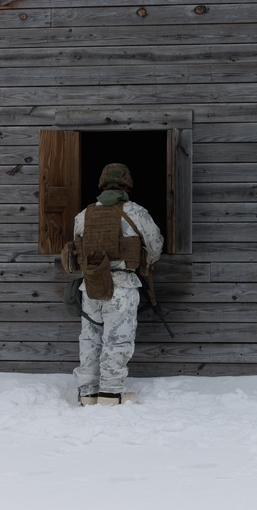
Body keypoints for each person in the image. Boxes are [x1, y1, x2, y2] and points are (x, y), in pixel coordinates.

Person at [72, 163, 163, 406]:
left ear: (102, 184)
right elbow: (155, 246)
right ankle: (110, 394)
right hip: (121, 286)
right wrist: (146, 261)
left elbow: (77, 248)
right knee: (117, 340)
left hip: (90, 287)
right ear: (127, 185)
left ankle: (87, 393)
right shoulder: (136, 212)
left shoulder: (83, 215)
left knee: (90, 338)